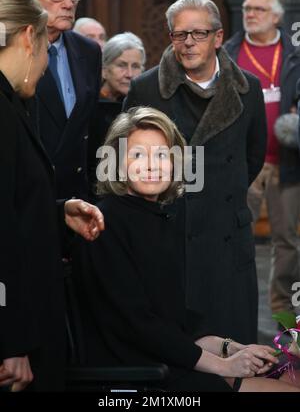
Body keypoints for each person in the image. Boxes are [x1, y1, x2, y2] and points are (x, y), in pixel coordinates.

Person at [73, 106, 300, 392]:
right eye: (138, 155)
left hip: (166, 359)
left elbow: (174, 323)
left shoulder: (159, 217)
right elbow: (136, 326)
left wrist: (231, 348)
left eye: (161, 155)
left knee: (291, 378)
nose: (152, 165)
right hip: (138, 374)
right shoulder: (104, 224)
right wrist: (223, 366)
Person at [123, 0, 267, 344]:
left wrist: (217, 191)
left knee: (235, 353)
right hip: (170, 235)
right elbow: (124, 158)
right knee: (180, 355)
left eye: (199, 34)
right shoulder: (146, 88)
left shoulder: (248, 89)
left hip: (227, 242)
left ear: (218, 38)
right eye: (179, 34)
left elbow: (252, 156)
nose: (188, 43)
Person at [0, 0, 104, 392]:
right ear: (29, 37)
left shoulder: (11, 105)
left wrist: (57, 211)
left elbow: (14, 202)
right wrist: (11, 341)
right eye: (46, 47)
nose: (45, 66)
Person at [224, 0, 300, 317]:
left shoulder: (295, 55)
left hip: (288, 163)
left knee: (288, 244)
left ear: (278, 17)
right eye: (247, 8)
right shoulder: (227, 53)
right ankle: (235, 313)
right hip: (242, 165)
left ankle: (284, 320)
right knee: (234, 239)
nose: (250, 14)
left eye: (259, 9)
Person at [16, 0, 102, 200]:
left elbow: (90, 128)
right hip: (26, 196)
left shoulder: (89, 51)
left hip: (78, 197)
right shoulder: (10, 49)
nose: (68, 3)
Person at [88, 32, 146, 197]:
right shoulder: (89, 106)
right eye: (121, 65)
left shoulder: (144, 108)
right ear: (104, 71)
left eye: (135, 66)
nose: (129, 74)